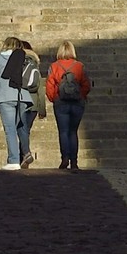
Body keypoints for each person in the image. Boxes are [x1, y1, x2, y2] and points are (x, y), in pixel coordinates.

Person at [0, 34, 42, 169]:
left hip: (5, 97)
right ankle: (25, 152)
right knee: (20, 127)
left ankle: (13, 160)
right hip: (23, 97)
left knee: (10, 129)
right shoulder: (25, 58)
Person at [44, 41, 92, 171]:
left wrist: (54, 98)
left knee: (63, 131)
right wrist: (80, 95)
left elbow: (49, 86)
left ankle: (65, 158)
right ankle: (74, 161)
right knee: (73, 132)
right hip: (77, 103)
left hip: (61, 102)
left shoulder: (54, 66)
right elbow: (87, 85)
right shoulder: (79, 66)